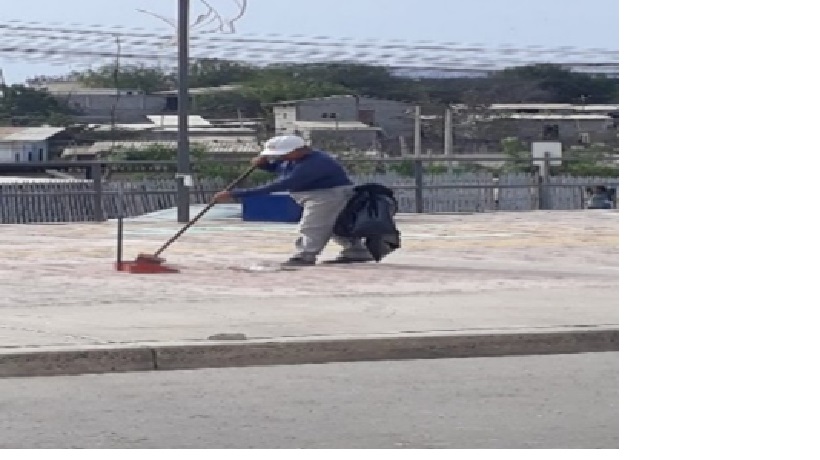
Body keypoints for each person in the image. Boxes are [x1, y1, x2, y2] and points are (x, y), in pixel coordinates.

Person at [213, 135, 373, 267]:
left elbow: (282, 183)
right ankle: (357, 251)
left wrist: (236, 194)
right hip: (313, 196)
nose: (280, 157)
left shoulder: (316, 163)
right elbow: (280, 169)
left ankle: (305, 255)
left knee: (312, 225)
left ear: (298, 150)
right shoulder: (292, 159)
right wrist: (264, 165)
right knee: (332, 225)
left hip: (327, 195)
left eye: (283, 154)